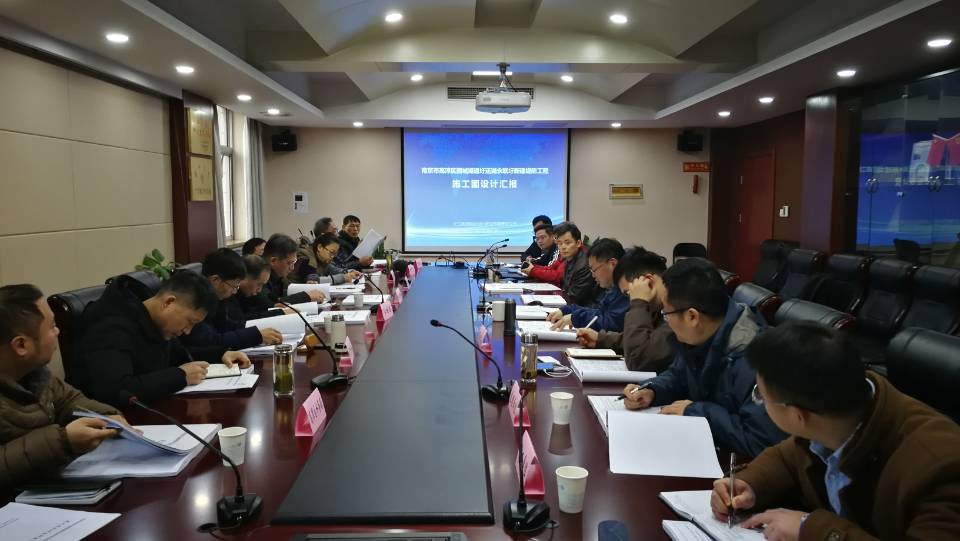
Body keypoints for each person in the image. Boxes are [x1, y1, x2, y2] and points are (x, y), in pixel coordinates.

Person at [711, 322, 960, 541]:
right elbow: (790, 457)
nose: (760, 402)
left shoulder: (942, 468)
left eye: (760, 396)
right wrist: (749, 483)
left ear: (798, 416)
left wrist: (813, 530)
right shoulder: (837, 413)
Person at [621, 258, 785, 458]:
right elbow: (678, 376)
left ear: (692, 316)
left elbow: (760, 440)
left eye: (666, 313)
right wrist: (652, 390)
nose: (666, 321)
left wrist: (696, 412)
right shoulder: (703, 335)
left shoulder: (754, 357)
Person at [0, 284, 130, 492]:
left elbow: (70, 400)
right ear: (21, 345)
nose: (58, 331)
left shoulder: (36, 374)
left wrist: (107, 417)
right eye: (52, 326)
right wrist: (63, 442)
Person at [76, 271, 251, 406]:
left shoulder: (152, 316)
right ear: (168, 302)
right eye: (189, 322)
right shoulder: (111, 324)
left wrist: (220, 354)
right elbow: (118, 390)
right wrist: (180, 376)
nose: (187, 331)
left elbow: (178, 355)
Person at [574, 247, 675, 372]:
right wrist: (601, 339)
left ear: (648, 282)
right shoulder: (659, 307)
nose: (630, 299)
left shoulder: (676, 310)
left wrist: (639, 302)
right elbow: (648, 339)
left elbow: (637, 359)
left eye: (629, 293)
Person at [181, 249, 282, 350]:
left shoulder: (219, 298)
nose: (234, 292)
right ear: (215, 280)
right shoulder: (195, 300)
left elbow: (225, 325)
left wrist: (257, 332)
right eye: (234, 286)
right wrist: (255, 336)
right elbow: (209, 340)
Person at [548, 238, 628, 332]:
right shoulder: (615, 286)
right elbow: (599, 311)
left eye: (594, 270)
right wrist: (568, 310)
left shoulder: (627, 289)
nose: (593, 275)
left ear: (613, 264)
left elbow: (612, 323)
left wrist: (577, 318)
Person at [261, 233, 326, 306]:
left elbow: (284, 294)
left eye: (294, 263)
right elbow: (269, 304)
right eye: (289, 263)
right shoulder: (260, 276)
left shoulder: (278, 277)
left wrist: (307, 290)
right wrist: (306, 296)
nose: (292, 268)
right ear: (273, 261)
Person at [295, 233, 362, 285]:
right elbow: (313, 280)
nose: (332, 256)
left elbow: (332, 269)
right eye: (332, 252)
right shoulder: (306, 258)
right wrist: (343, 277)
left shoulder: (321, 259)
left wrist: (349, 272)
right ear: (320, 247)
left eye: (334, 254)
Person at [236, 255, 287, 321]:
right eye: (259, 284)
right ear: (244, 278)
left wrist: (272, 306)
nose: (259, 290)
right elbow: (240, 319)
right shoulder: (229, 294)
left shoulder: (246, 293)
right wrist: (278, 313)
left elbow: (251, 311)